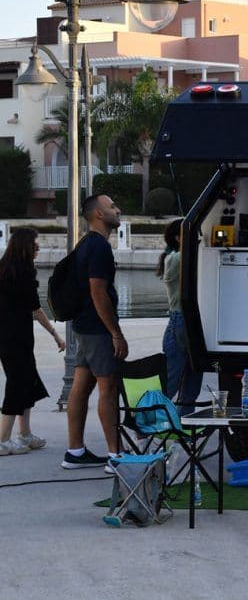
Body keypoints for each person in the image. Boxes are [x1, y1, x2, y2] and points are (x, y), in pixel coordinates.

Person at [63, 194, 127, 472]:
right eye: (111, 206)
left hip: (83, 325)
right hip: (98, 328)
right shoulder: (99, 247)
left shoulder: (85, 244)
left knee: (81, 387)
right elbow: (98, 292)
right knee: (108, 388)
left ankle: (74, 451)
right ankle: (116, 456)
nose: (117, 209)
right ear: (98, 214)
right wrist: (115, 332)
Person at [0, 228, 65, 456]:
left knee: (27, 380)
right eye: (35, 247)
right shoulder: (23, 273)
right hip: (16, 335)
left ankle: (25, 434)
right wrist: (55, 334)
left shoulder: (4, 269)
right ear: (25, 248)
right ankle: (3, 439)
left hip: (10, 335)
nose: (38, 250)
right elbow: (36, 309)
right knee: (18, 383)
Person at [158, 218, 200, 409]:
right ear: (178, 238)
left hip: (192, 321)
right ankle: (146, 422)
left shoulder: (183, 256)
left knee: (192, 382)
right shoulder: (175, 259)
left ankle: (183, 427)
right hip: (180, 321)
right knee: (172, 380)